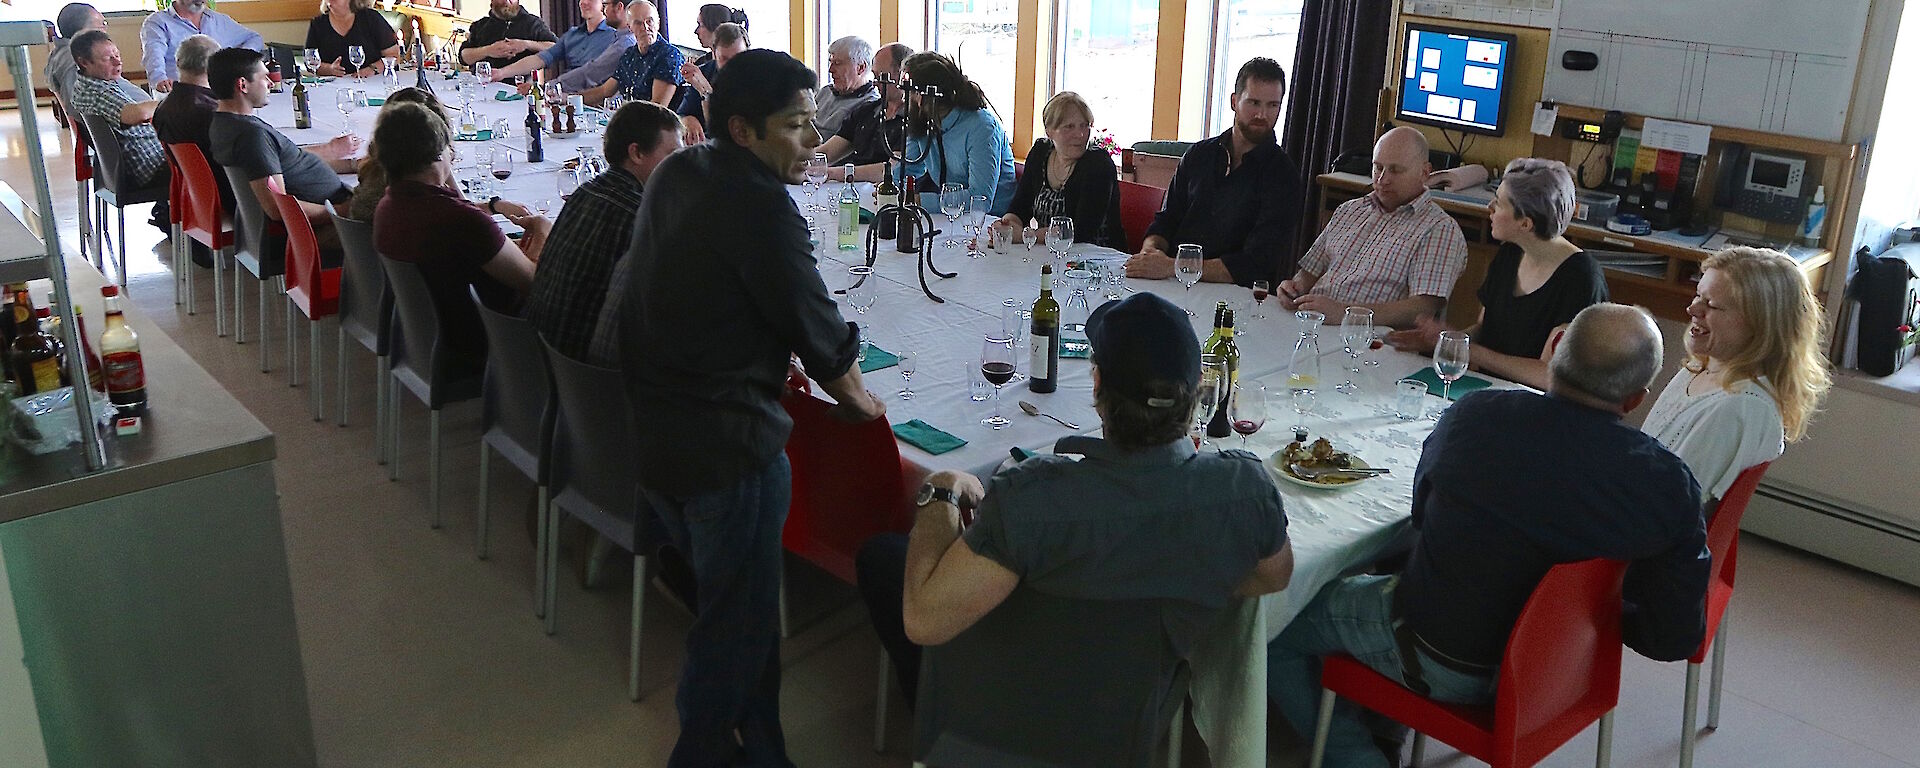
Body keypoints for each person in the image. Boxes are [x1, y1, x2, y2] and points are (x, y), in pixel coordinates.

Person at [587, 49, 887, 766]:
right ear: (745, 131)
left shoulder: (680, 171)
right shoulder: (760, 209)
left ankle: (763, 752)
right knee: (737, 631)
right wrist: (865, 408)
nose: (814, 140)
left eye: (814, 121)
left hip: (655, 434)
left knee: (731, 616)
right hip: (727, 452)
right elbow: (824, 341)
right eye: (796, 125)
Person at [1268, 303, 1710, 768]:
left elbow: (1421, 516)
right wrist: (1588, 618)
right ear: (1636, 398)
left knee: (1276, 620)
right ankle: (1383, 731)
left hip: (1443, 657)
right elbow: (1672, 637)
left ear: (1556, 352)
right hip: (1559, 671)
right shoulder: (1667, 484)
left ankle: (1358, 757)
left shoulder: (1476, 416)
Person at [856, 291, 1294, 705]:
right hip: (1133, 719)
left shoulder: (1032, 495)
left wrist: (942, 491)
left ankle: (939, 708)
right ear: (1202, 386)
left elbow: (923, 620)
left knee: (882, 555)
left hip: (1004, 706)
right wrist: (1173, 571)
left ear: (1097, 383)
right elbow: (1275, 576)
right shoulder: (1245, 490)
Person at [1384, 158, 1606, 390]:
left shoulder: (1581, 280)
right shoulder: (1511, 253)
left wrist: (1473, 353)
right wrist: (1445, 341)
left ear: (1525, 224)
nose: (1488, 207)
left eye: (1498, 203)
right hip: (1490, 389)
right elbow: (1485, 328)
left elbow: (1551, 375)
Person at [1642, 246, 1832, 502]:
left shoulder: (1741, 407)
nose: (1692, 310)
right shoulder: (1702, 368)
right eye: (1698, 296)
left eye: (1711, 304)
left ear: (1760, 323)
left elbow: (1670, 504)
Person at [373, 101, 549, 370]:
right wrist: (543, 232)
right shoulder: (458, 219)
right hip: (490, 343)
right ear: (435, 156)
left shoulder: (388, 206)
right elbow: (535, 283)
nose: (453, 157)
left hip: (425, 338)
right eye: (447, 149)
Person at [523, 100, 682, 360]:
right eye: (673, 155)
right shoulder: (640, 217)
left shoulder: (585, 191)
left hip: (535, 360)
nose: (680, 165)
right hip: (583, 377)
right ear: (637, 153)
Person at [1127, 57, 1300, 286]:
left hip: (1234, 296)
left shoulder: (1283, 175)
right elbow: (1166, 220)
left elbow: (1255, 263)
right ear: (1234, 101)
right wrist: (1151, 253)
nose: (1262, 115)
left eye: (1273, 105)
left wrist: (1172, 266)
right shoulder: (1199, 154)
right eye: (1254, 103)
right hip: (1172, 282)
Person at [1275, 126, 1468, 328]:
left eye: (1395, 170)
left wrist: (1345, 314)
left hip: (1368, 340)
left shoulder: (1440, 229)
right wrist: (1294, 288)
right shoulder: (1350, 210)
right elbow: (1309, 272)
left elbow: (1422, 309)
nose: (1382, 179)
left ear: (1425, 172)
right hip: (1312, 322)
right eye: (1377, 167)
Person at [207, 47, 359, 248]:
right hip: (323, 228)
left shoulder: (223, 123)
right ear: (242, 85)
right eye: (264, 77)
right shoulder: (251, 136)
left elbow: (292, 164)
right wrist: (340, 211)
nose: (271, 83)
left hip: (328, 210)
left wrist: (352, 164)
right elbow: (277, 207)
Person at [890, 51, 1016, 215]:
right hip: (950, 215)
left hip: (991, 223)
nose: (904, 99)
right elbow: (910, 167)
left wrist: (918, 200)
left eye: (908, 91)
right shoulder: (923, 121)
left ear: (923, 97)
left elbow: (980, 199)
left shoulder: (981, 128)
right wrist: (890, 189)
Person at [997, 91, 1126, 249]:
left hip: (1096, 258)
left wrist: (1027, 236)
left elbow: (1079, 233)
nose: (1080, 134)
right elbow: (1020, 206)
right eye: (1069, 127)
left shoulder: (1098, 165)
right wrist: (1008, 225)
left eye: (1084, 125)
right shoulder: (1040, 152)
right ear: (1049, 131)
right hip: (1049, 252)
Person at [68, 31, 169, 228]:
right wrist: (177, 99)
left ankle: (172, 216)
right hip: (149, 169)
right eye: (107, 58)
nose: (117, 62)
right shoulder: (98, 92)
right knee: (217, 161)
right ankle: (198, 234)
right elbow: (138, 113)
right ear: (84, 62)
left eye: (117, 55)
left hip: (146, 161)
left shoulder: (90, 83)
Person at [153, 34, 233, 230]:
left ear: (178, 62)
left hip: (194, 196)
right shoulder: (211, 113)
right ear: (215, 67)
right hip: (231, 199)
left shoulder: (164, 106)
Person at [348, 87, 449, 221]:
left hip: (363, 239)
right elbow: (469, 217)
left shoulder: (377, 167)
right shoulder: (413, 195)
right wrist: (445, 168)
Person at [489, 0, 629, 85]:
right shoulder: (572, 34)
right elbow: (541, 58)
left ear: (603, 4)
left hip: (594, 100)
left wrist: (551, 87)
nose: (584, 2)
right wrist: (501, 73)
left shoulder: (617, 37)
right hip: (564, 99)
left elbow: (593, 73)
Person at [140, 0, 264, 93]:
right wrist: (159, 79)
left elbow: (254, 38)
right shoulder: (157, 22)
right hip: (179, 96)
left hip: (220, 94)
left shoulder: (220, 20)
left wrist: (237, 62)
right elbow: (153, 56)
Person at [822, 42, 908, 169]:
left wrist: (832, 173)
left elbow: (894, 169)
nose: (875, 83)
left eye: (882, 77)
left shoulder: (915, 120)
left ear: (902, 76)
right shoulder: (865, 112)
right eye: (875, 76)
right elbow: (828, 152)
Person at [580, 0, 681, 107]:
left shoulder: (669, 55)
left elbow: (657, 107)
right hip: (632, 118)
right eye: (638, 23)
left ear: (658, 24)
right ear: (630, 27)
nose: (645, 28)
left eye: (650, 21)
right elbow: (605, 91)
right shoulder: (629, 55)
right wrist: (571, 98)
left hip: (655, 122)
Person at [542, 0, 641, 93]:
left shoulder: (624, 43)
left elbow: (593, 72)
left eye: (605, 4)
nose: (602, 9)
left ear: (619, 7)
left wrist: (551, 87)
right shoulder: (620, 38)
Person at [671, 22, 745, 143]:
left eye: (738, 57)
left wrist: (705, 90)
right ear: (714, 54)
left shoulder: (755, 78)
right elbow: (682, 113)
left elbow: (722, 133)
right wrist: (688, 120)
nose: (732, 65)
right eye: (724, 59)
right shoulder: (705, 71)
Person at [304, 0, 400, 78]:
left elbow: (394, 56)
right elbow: (310, 61)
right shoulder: (318, 24)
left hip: (373, 82)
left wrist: (372, 69)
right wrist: (329, 69)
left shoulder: (370, 18)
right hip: (335, 86)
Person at [459, 0, 558, 70]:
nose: (507, 1)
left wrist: (527, 44)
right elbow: (464, 57)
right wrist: (488, 50)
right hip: (483, 85)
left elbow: (557, 48)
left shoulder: (532, 23)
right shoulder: (481, 25)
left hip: (520, 87)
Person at [814, 36, 878, 136]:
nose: (830, 70)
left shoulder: (869, 104)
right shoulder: (824, 92)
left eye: (837, 63)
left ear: (861, 68)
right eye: (830, 62)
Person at [49, 3, 105, 108]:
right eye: (102, 24)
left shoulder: (59, 53)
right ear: (84, 30)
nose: (105, 31)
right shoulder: (75, 59)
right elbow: (79, 109)